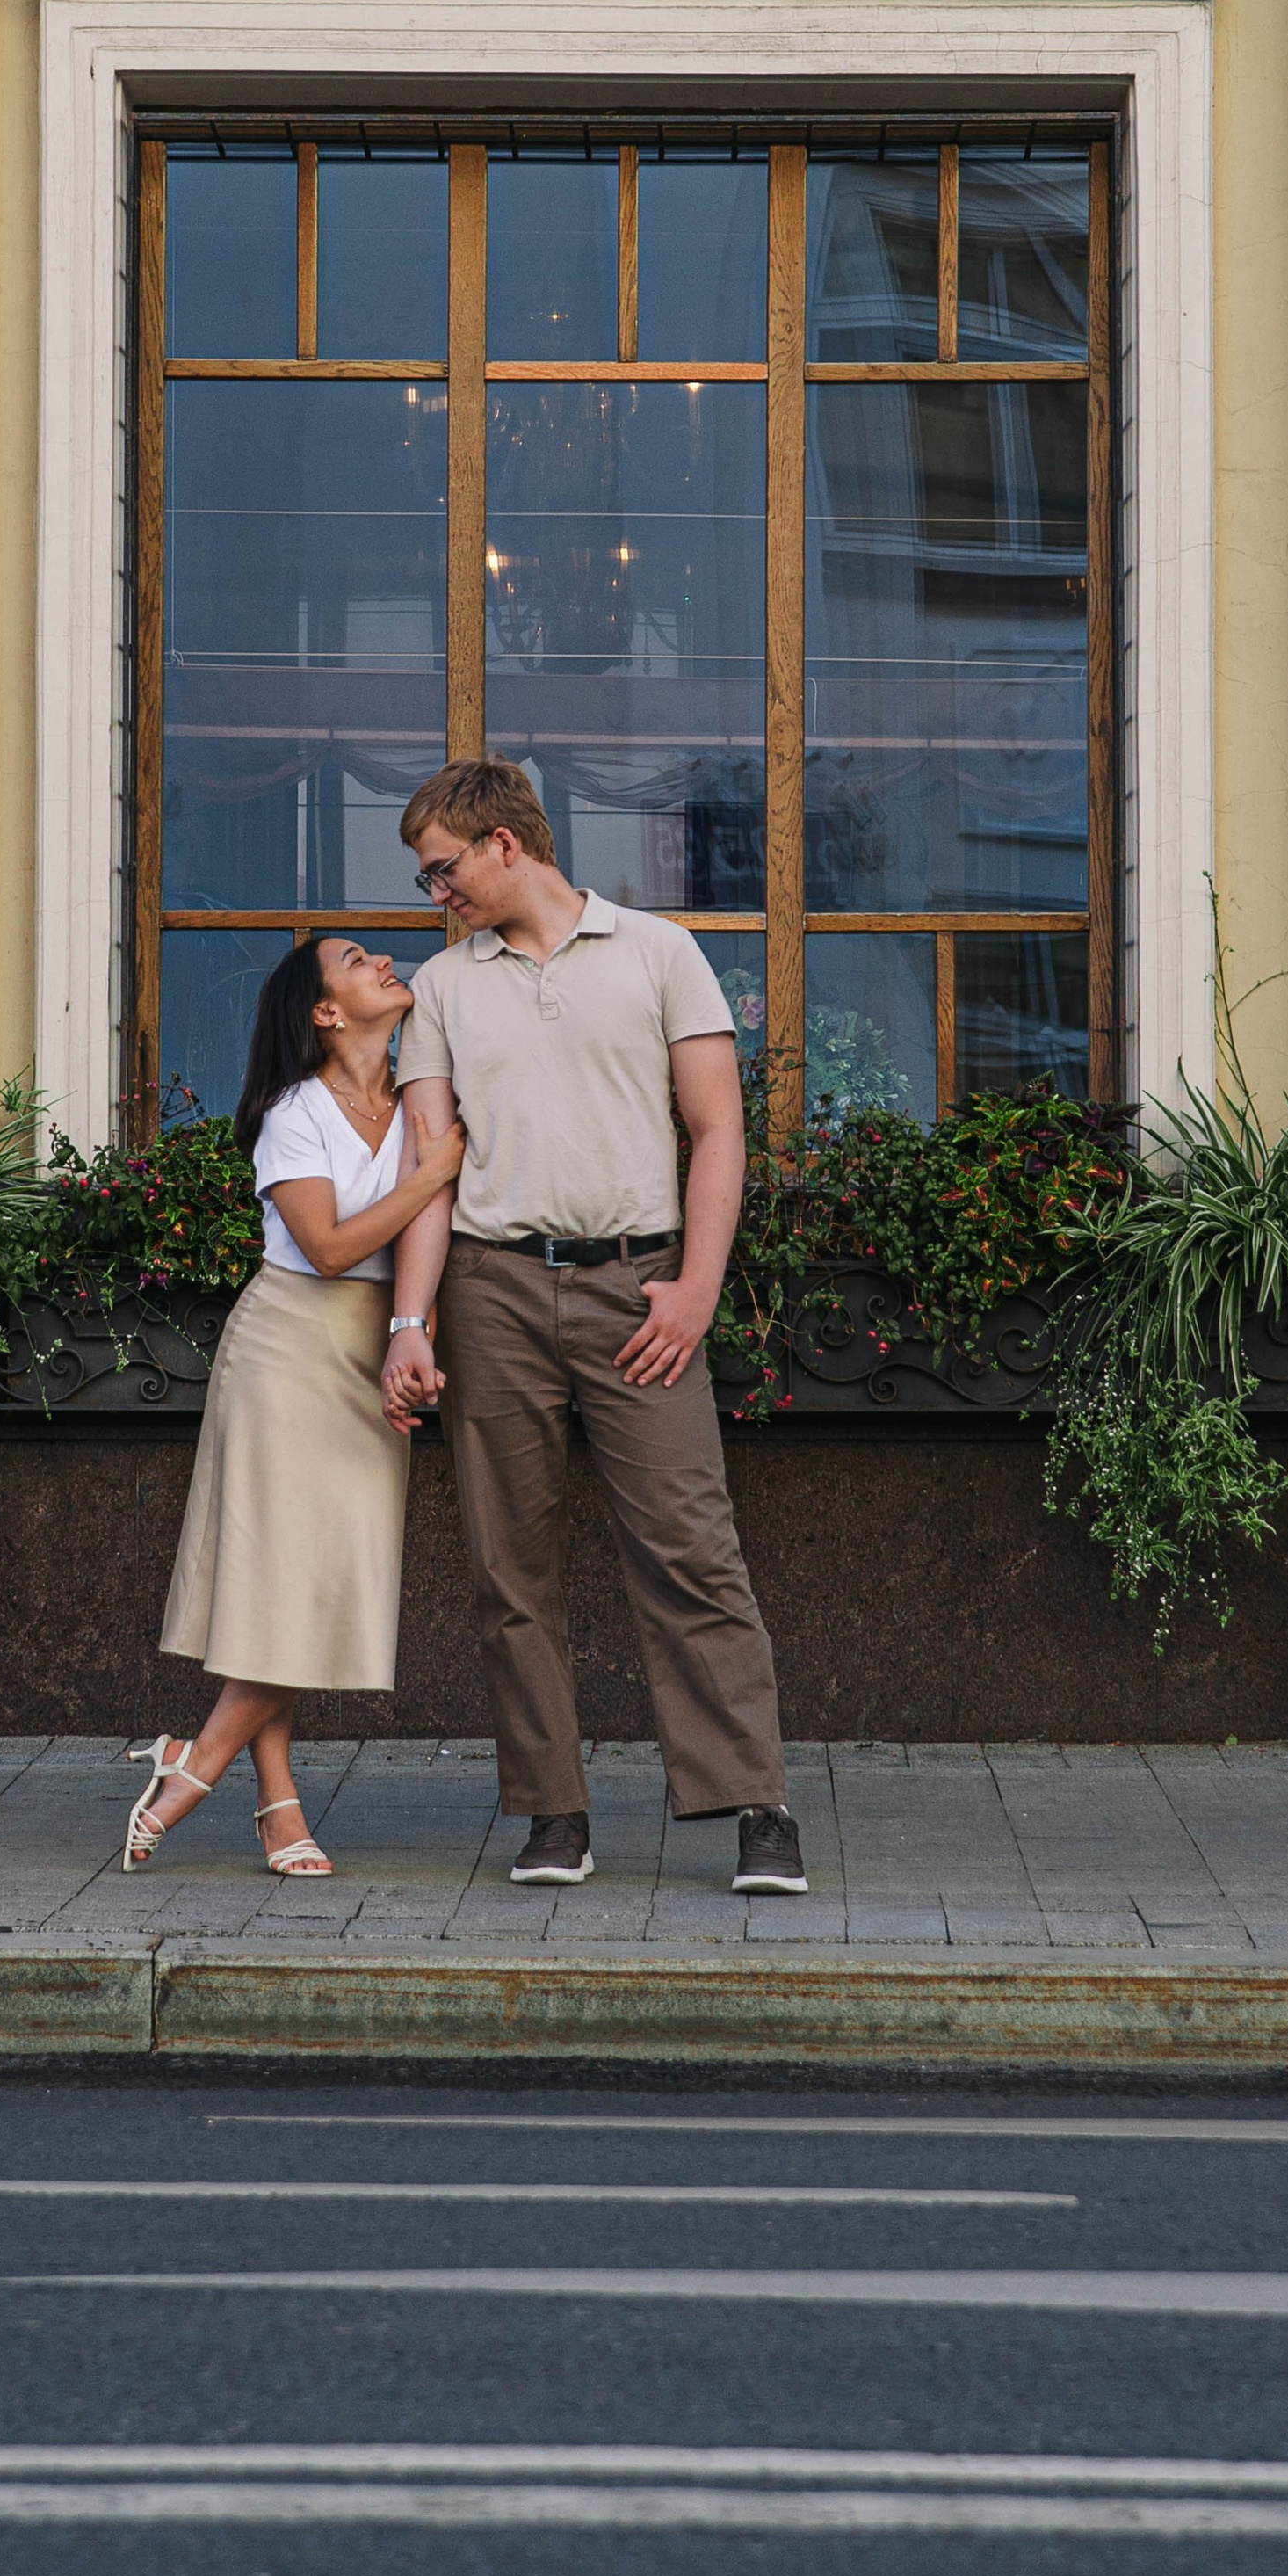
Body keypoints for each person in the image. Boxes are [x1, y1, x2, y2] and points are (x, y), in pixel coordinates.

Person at [380, 758, 807, 1897]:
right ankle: (552, 1813)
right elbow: (431, 1167)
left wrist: (695, 1288)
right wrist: (409, 1323)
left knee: (690, 1549)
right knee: (506, 1567)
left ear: (506, 844)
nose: (435, 895)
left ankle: (756, 1804)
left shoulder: (658, 952)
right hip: (493, 1292)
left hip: (640, 1288)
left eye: (443, 869)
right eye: (428, 879)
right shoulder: (440, 988)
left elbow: (717, 1132)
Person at [122, 933, 464, 1879]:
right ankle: (214, 1778)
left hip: (376, 1347)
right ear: (324, 1011)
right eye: (357, 961)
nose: (385, 962)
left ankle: (234, 1781)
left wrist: (416, 1335)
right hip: (286, 1346)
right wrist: (434, 1173)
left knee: (313, 1580)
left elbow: (421, 1248)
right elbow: (325, 1247)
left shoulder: (418, 1104)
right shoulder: (293, 1113)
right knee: (289, 1578)